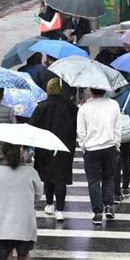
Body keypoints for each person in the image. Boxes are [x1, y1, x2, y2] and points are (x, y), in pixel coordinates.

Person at [29, 78, 78, 221]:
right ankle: (60, 208)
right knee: (61, 177)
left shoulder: (41, 107)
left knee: (47, 176)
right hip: (65, 147)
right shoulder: (72, 108)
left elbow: (32, 126)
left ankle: (49, 203)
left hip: (45, 146)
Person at [0, 143, 43, 260]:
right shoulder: (31, 172)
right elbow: (38, 196)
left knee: (4, 256)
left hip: (1, 225)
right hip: (24, 224)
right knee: (23, 255)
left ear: (3, 154)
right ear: (22, 153)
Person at [77, 88, 121, 225]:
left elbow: (81, 131)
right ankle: (108, 205)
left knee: (93, 181)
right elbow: (117, 128)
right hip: (109, 146)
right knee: (108, 177)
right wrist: (117, 145)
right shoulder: (114, 105)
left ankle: (97, 212)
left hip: (91, 148)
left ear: (91, 90)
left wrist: (84, 145)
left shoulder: (84, 108)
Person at [111, 85, 130, 202]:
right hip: (127, 133)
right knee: (126, 159)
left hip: (113, 133)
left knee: (116, 162)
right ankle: (125, 187)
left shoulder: (108, 97)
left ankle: (116, 192)